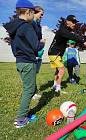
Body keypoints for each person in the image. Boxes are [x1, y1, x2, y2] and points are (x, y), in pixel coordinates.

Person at [3, 0, 39, 128]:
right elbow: (36, 46)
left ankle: (23, 115)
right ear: (28, 12)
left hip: (20, 61)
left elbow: (15, 46)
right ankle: (21, 119)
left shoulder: (14, 27)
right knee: (29, 90)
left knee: (28, 88)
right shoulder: (26, 26)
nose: (33, 16)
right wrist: (42, 44)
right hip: (28, 62)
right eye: (33, 13)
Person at [48, 15, 86, 92]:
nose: (74, 24)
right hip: (54, 53)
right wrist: (83, 41)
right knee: (62, 70)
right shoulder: (63, 30)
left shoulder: (67, 30)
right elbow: (73, 37)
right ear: (67, 22)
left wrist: (83, 34)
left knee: (57, 70)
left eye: (75, 22)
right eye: (73, 22)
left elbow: (75, 35)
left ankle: (54, 85)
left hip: (56, 53)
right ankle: (58, 89)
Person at [31, 6, 46, 99]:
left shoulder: (38, 25)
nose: (42, 16)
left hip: (37, 52)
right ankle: (31, 93)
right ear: (35, 12)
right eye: (41, 14)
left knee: (34, 73)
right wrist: (41, 43)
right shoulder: (31, 24)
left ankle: (33, 91)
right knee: (31, 73)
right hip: (32, 51)